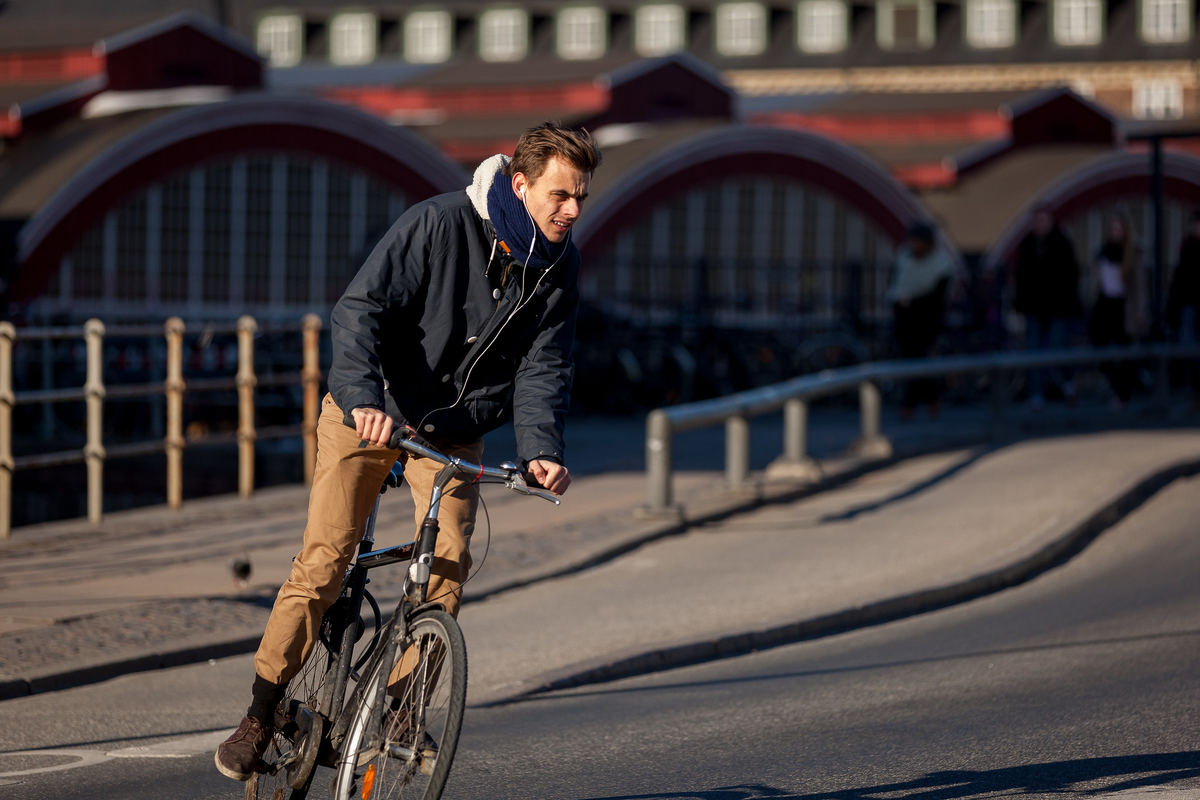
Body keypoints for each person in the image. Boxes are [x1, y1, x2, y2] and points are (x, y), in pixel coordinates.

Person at [215, 122, 602, 781]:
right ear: (520, 184)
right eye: (560, 195)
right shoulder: (440, 224)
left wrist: (541, 450)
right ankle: (261, 711)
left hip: (450, 430)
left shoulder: (559, 267)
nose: (572, 211)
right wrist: (364, 396)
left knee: (449, 557)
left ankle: (399, 705)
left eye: (579, 199)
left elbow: (545, 367)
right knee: (327, 557)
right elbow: (360, 309)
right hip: (373, 410)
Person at [1012, 205, 1081, 409]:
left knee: (1060, 347)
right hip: (1034, 307)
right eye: (1037, 220)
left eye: (1044, 220)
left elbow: (1071, 275)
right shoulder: (1028, 244)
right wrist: (1020, 303)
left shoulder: (1062, 243)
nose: (1040, 224)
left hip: (1058, 307)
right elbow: (1021, 277)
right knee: (1033, 351)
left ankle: (1069, 386)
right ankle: (1036, 394)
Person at [889, 221, 955, 418]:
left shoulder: (940, 266)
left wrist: (913, 302)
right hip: (904, 320)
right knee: (911, 360)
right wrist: (901, 302)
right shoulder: (903, 258)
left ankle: (911, 403)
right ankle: (929, 400)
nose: (913, 245)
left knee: (918, 360)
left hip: (926, 321)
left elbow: (937, 298)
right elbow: (895, 285)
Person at [1088, 214, 1143, 409]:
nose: (1114, 233)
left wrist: (1139, 311)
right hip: (1104, 305)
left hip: (1123, 307)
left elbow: (1139, 287)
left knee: (1125, 351)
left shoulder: (1132, 254)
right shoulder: (1102, 252)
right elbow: (1096, 281)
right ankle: (1116, 387)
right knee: (1100, 348)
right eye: (1111, 229)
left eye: (1118, 229)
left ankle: (1123, 394)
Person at [1167, 210, 1200, 410]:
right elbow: (1180, 280)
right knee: (1188, 348)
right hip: (1189, 305)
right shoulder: (1187, 247)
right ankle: (1196, 391)